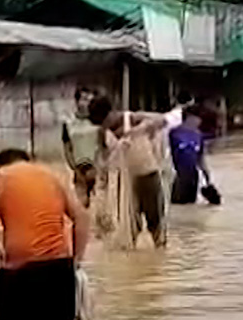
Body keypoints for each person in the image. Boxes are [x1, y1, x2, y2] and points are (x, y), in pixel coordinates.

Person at [0, 149, 91, 320]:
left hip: (19, 274)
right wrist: (76, 262)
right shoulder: (53, 176)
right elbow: (82, 218)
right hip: (59, 273)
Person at [87, 96, 168, 248]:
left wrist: (142, 127)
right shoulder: (103, 133)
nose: (104, 125)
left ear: (111, 114)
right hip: (124, 184)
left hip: (147, 175)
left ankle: (160, 258)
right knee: (128, 228)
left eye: (104, 121)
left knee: (155, 221)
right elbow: (103, 161)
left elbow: (162, 120)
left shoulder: (132, 118)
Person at [61, 87, 103, 207]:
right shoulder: (69, 123)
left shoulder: (99, 121)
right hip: (80, 170)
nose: (87, 103)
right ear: (77, 101)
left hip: (97, 169)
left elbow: (103, 145)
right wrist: (74, 168)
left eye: (90, 100)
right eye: (84, 99)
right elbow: (67, 147)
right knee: (81, 206)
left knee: (99, 209)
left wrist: (100, 167)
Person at [169, 105, 213, 205]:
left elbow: (201, 159)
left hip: (193, 177)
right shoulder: (173, 133)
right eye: (198, 119)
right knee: (178, 205)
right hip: (178, 177)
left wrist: (207, 178)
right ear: (189, 117)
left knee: (190, 206)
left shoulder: (198, 135)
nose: (199, 122)